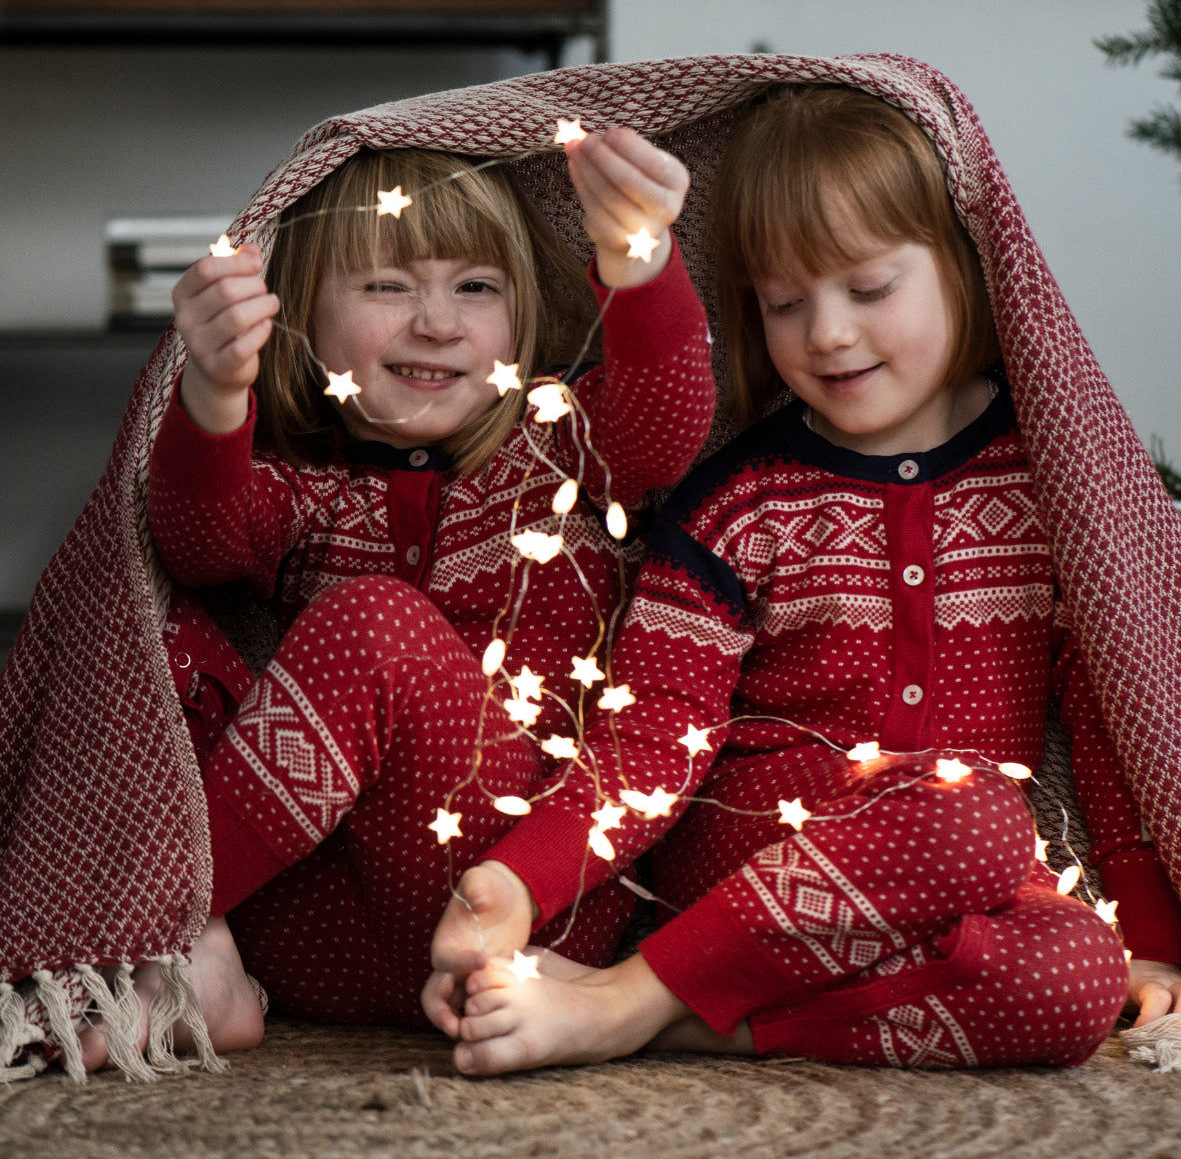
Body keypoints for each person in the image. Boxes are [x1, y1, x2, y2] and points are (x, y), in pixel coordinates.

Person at [423, 83, 1181, 1075]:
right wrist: (521, 884)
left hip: (958, 895)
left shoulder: (1054, 489)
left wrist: (1155, 941)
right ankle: (636, 991)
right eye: (787, 303)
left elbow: (1114, 719)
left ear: (968, 267)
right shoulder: (737, 503)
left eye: (868, 289)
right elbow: (652, 733)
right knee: (972, 810)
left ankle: (662, 1019)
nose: (827, 332)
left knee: (1077, 978)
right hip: (751, 879)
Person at [76, 127, 714, 1070]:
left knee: (373, 624)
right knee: (139, 624)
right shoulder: (309, 489)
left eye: (476, 287)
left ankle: (158, 921)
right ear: (297, 318)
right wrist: (215, 387)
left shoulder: (562, 444)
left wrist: (639, 261)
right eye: (387, 286)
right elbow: (199, 537)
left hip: (507, 903)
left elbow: (664, 424)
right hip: (308, 929)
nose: (438, 323)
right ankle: (203, 962)